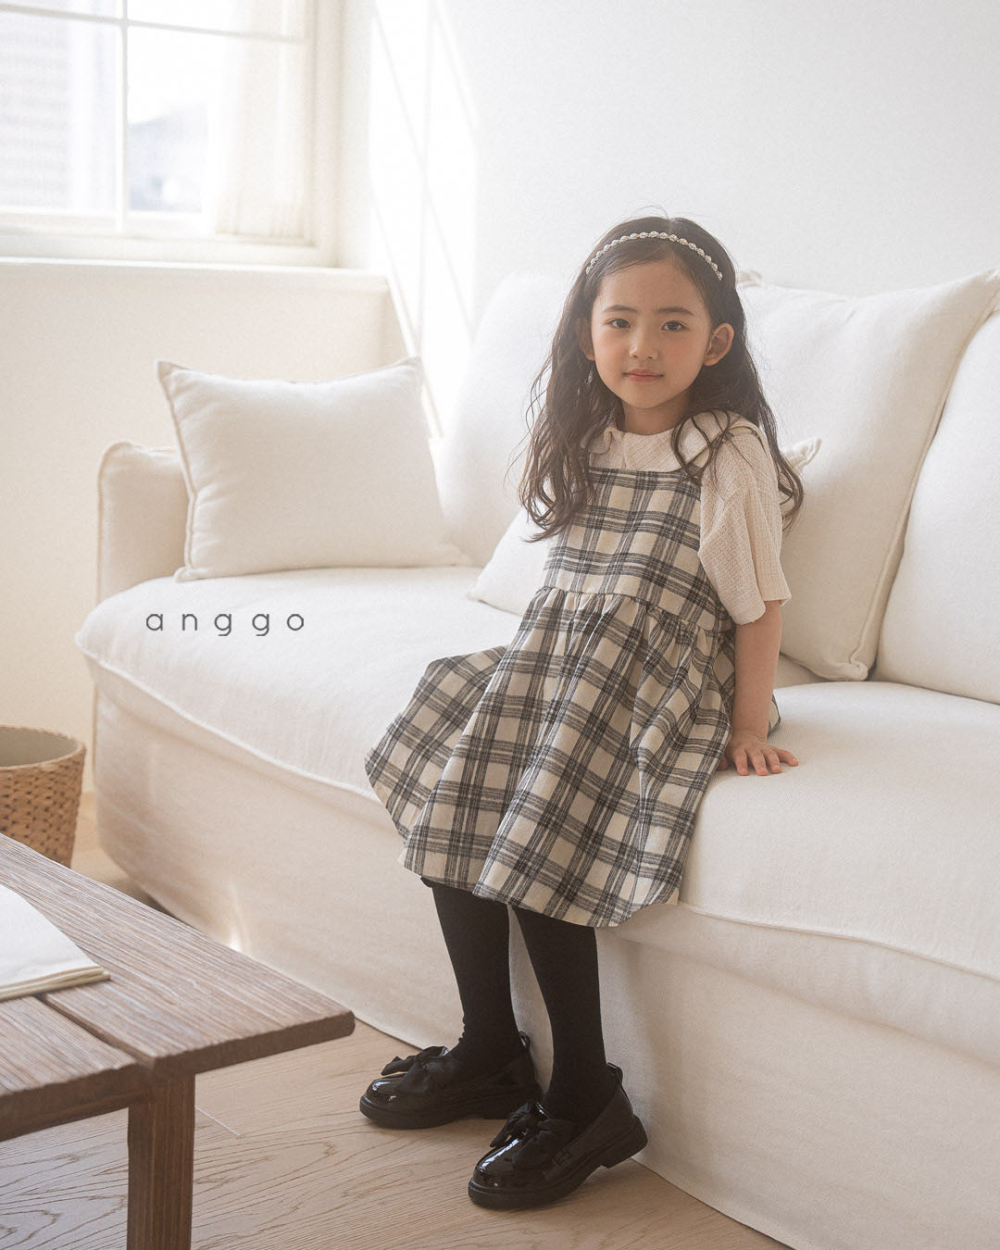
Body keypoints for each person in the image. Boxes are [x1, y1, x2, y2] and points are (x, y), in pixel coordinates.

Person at [360, 212, 803, 1210]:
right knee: (454, 786)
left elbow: (756, 603)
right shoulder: (585, 434)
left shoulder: (721, 449)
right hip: (559, 662)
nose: (643, 345)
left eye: (673, 324)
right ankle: (490, 1047)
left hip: (655, 677)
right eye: (620, 322)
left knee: (541, 820)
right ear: (586, 333)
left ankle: (586, 1094)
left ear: (715, 343)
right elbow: (566, 592)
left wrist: (747, 722)